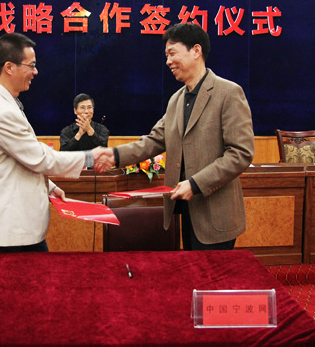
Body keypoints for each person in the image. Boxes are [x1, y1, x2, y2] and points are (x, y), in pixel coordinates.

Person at [95, 23, 254, 250]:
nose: (168, 61)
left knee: (209, 272)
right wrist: (115, 155)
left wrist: (195, 184)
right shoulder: (176, 100)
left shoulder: (228, 93)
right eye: (166, 56)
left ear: (196, 51)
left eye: (172, 53)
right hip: (185, 210)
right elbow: (154, 140)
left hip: (216, 214)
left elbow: (240, 154)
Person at [0, 33, 103, 253]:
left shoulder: (5, 104)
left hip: (16, 227)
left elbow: (17, 162)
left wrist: (49, 187)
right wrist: (91, 157)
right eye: (31, 65)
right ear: (9, 67)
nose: (36, 72)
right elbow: (40, 158)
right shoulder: (1, 112)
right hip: (10, 231)